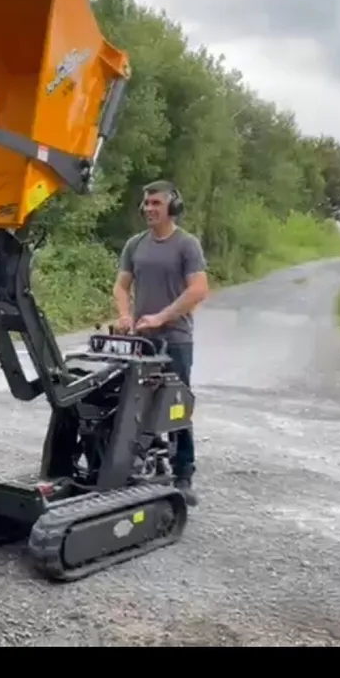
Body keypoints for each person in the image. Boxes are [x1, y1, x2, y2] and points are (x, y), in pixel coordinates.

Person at [112, 179, 209, 505]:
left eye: (156, 203)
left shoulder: (187, 245)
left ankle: (183, 475)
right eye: (146, 203)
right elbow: (122, 286)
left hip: (175, 339)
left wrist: (162, 316)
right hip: (141, 341)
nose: (149, 209)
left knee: (176, 408)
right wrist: (125, 315)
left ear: (172, 207)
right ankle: (135, 462)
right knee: (131, 404)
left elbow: (198, 290)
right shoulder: (135, 244)